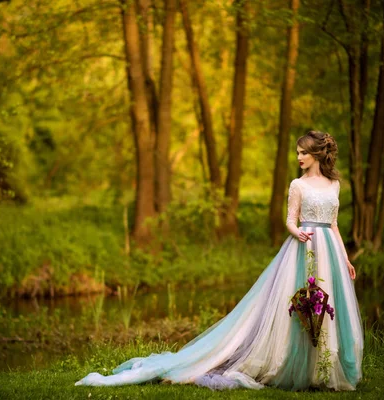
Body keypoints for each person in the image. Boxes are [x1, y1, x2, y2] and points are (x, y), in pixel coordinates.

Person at [75, 130, 363, 391]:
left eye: (303, 152)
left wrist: (346, 258)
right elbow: (289, 220)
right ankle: (296, 365)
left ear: (317, 154)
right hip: (303, 247)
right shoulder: (297, 185)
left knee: (328, 305)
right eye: (297, 152)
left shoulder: (333, 185)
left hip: (329, 250)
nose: (299, 157)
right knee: (299, 305)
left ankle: (324, 369)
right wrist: (297, 232)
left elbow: (334, 224)